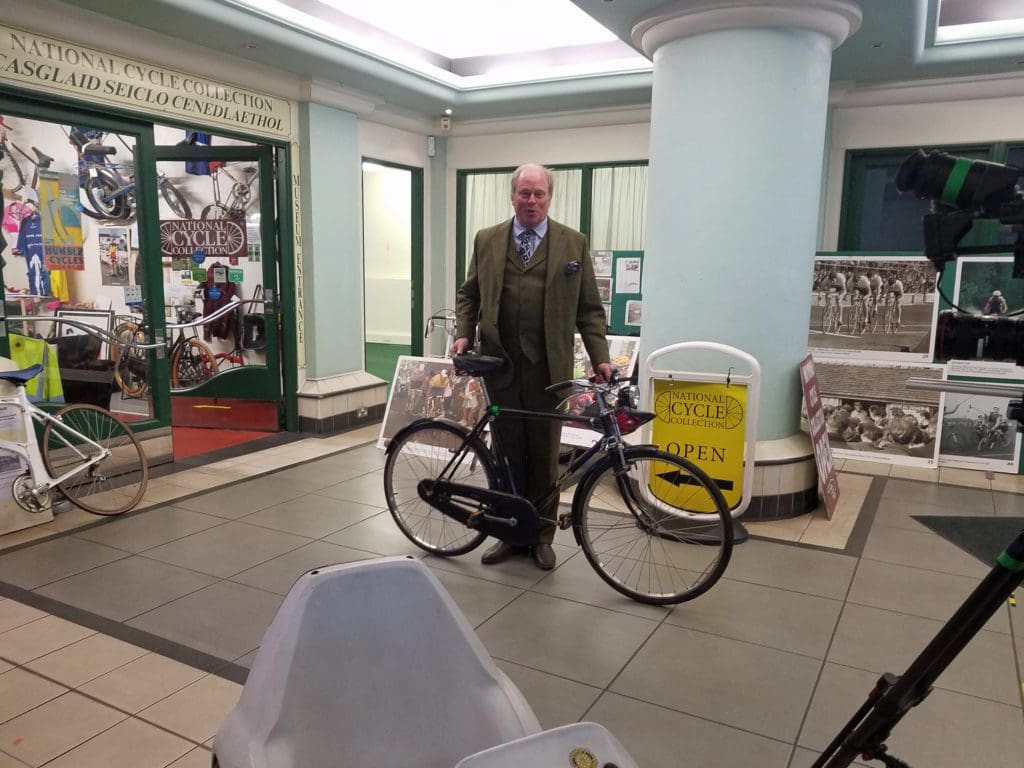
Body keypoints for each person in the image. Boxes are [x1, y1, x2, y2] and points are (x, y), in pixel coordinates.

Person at [452, 163, 612, 570]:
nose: (531, 200)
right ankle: (508, 532)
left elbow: (589, 309)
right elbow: (469, 293)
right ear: (513, 196)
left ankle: (541, 536)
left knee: (544, 454)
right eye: (524, 193)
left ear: (549, 197)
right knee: (506, 453)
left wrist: (600, 357)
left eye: (539, 193)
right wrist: (464, 332)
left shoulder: (572, 243)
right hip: (501, 365)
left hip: (548, 369)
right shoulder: (487, 239)